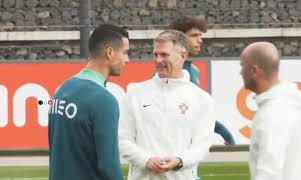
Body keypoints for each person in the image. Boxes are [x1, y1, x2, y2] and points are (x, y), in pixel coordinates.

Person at [119, 30, 215, 180]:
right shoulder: (135, 94)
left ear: (182, 56)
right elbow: (123, 139)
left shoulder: (202, 99)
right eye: (155, 54)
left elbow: (202, 145)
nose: (158, 60)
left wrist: (180, 161)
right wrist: (146, 160)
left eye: (164, 55)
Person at [48, 24, 129, 180]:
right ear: (110, 52)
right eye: (125, 53)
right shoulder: (104, 100)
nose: (127, 59)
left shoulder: (61, 90)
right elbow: (109, 166)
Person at [240, 42, 301, 180]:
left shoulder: (273, 112)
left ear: (254, 71)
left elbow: (269, 171)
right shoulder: (286, 102)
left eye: (242, 66)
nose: (240, 72)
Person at [169, 15, 235, 145]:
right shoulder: (168, 71)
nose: (200, 40)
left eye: (200, 36)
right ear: (178, 39)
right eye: (194, 36)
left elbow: (197, 112)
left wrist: (225, 133)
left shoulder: (194, 70)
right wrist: (225, 133)